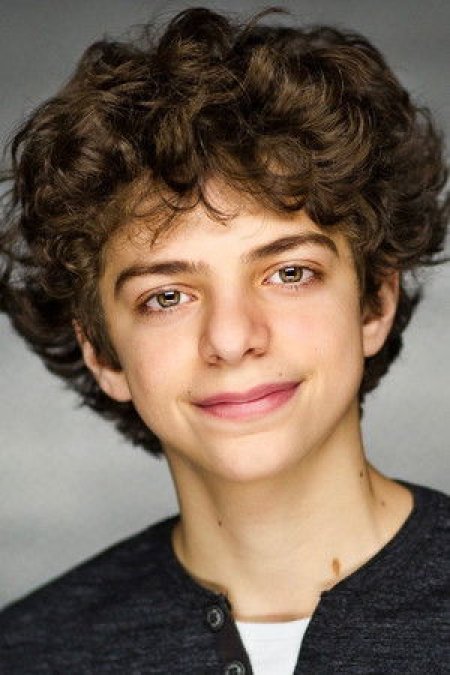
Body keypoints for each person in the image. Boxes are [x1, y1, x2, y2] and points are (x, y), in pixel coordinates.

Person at [0, 6, 449, 674]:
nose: (233, 338)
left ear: (374, 304)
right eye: (167, 296)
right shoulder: (28, 654)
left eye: (289, 273)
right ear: (102, 353)